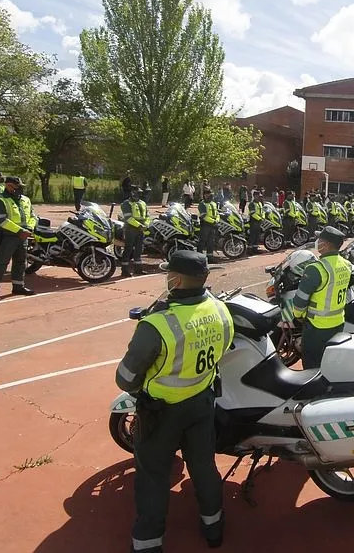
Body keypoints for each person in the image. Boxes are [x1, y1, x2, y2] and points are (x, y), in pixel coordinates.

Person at [115, 250, 232, 553]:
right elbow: (223, 350)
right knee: (204, 467)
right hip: (203, 403)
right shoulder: (221, 311)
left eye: (168, 274)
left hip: (161, 413)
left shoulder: (156, 325)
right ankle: (214, 527)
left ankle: (148, 543)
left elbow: (125, 378)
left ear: (176, 280)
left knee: (153, 476)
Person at [291, 227, 351, 368]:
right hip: (338, 323)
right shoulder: (346, 264)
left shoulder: (316, 268)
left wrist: (298, 316)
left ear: (327, 244)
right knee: (329, 363)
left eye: (320, 239)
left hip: (317, 327)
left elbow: (300, 301)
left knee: (312, 365)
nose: (318, 242)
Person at [0, 176, 36, 301]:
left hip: (23, 236)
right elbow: (1, 220)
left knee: (20, 262)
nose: (20, 189)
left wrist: (29, 229)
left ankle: (18, 286)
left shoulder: (25, 199)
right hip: (6, 236)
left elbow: (33, 216)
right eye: (17, 186)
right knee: (1, 262)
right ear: (8, 186)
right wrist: (20, 231)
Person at [120, 186, 150, 277]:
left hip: (141, 230)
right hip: (130, 229)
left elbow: (147, 216)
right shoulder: (126, 204)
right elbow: (128, 218)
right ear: (132, 193)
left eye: (140, 193)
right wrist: (140, 225)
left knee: (139, 249)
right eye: (137, 193)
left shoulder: (143, 203)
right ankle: (124, 270)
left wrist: (146, 225)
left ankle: (138, 269)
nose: (139, 194)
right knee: (128, 249)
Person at [197, 188, 218, 258]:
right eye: (206, 195)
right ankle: (199, 257)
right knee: (202, 241)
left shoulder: (213, 203)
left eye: (209, 194)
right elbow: (204, 217)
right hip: (205, 225)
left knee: (211, 242)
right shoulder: (202, 204)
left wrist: (217, 220)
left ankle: (210, 257)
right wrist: (213, 221)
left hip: (213, 225)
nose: (208, 196)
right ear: (204, 195)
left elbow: (217, 214)